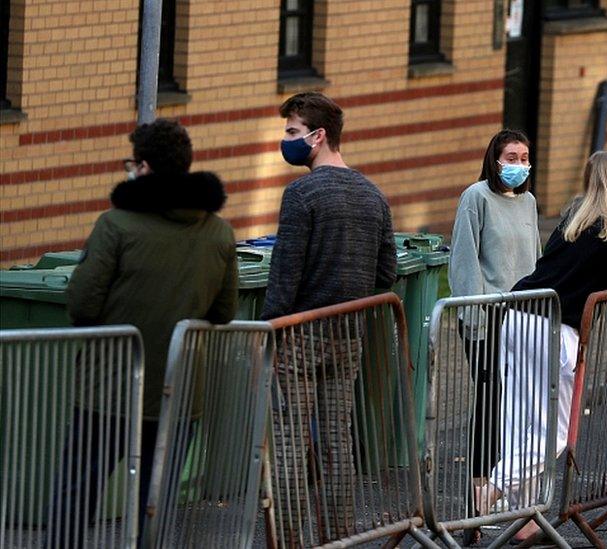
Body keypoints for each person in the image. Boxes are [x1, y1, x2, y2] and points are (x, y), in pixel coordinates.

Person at [477, 151, 607, 540]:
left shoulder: (572, 221)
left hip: (519, 315)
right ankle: (493, 489)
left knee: (519, 420)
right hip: (555, 328)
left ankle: (523, 521)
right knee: (556, 433)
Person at [58, 118, 238, 547]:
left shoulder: (116, 225)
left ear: (145, 168)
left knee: (77, 494)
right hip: (179, 391)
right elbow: (225, 311)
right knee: (155, 506)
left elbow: (82, 303)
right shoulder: (219, 232)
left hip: (109, 388)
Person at [260, 92, 397, 542]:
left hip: (299, 335)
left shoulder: (302, 194)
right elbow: (386, 271)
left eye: (293, 132)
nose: (287, 140)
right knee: (338, 439)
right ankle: (337, 536)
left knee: (291, 443)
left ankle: (288, 539)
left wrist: (270, 327)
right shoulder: (373, 194)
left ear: (318, 137)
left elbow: (285, 274)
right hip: (348, 333)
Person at [448, 129, 541, 538]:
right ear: (495, 159)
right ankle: (478, 495)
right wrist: (476, 316)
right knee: (490, 403)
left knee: (518, 408)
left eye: (524, 157)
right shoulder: (476, 198)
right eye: (511, 156)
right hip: (487, 316)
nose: (518, 164)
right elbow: (465, 260)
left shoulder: (530, 202)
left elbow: (534, 258)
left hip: (524, 317)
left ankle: (511, 498)